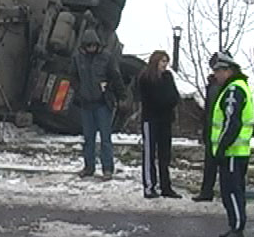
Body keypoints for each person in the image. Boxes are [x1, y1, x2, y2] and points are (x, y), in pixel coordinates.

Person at [209, 52, 254, 237]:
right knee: (233, 190)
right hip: (236, 151)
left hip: (232, 152)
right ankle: (234, 225)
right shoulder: (238, 87)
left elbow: (231, 123)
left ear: (227, 71)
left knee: (232, 191)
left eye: (218, 71)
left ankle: (237, 229)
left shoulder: (233, 90)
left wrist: (221, 148)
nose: (215, 75)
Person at [72, 28, 126, 181]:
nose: (91, 48)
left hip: (103, 103)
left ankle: (107, 168)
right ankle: (89, 167)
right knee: (88, 139)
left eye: (93, 45)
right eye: (89, 46)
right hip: (86, 104)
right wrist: (79, 90)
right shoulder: (78, 59)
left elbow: (115, 76)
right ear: (84, 46)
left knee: (105, 139)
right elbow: (73, 76)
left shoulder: (106, 57)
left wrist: (121, 95)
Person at [137, 50, 181, 198]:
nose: (164, 65)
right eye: (162, 61)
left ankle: (166, 186)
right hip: (151, 119)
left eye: (166, 61)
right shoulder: (146, 78)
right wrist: (165, 101)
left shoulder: (168, 77)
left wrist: (168, 102)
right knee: (149, 154)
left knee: (165, 154)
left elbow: (174, 96)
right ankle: (149, 186)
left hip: (165, 119)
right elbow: (151, 99)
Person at [193, 52, 226, 202]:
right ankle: (207, 191)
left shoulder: (227, 86)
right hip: (212, 129)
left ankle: (218, 191)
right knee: (210, 163)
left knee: (223, 164)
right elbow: (209, 109)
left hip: (221, 130)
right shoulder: (213, 85)